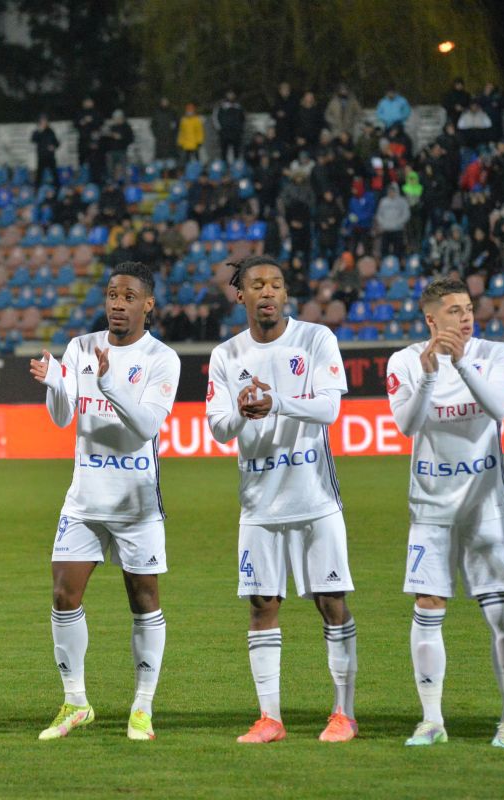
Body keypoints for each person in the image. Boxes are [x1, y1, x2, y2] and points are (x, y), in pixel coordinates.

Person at [206, 255, 357, 744]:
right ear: (241, 295)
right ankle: (270, 718)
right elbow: (218, 427)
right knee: (261, 605)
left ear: (286, 295)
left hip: (314, 499)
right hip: (258, 504)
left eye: (275, 284)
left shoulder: (315, 340)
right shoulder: (226, 355)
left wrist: (276, 402)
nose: (266, 292)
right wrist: (244, 413)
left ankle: (343, 714)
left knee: (331, 603)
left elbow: (331, 407)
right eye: (256, 285)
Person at [29, 262, 181, 742]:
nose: (118, 303)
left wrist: (110, 382)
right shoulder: (79, 347)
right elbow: (61, 418)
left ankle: (142, 707)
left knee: (144, 601)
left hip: (136, 504)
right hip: (84, 500)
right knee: (62, 595)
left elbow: (146, 427)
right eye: (112, 294)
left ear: (148, 304)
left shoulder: (162, 358)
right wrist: (56, 383)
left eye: (129, 296)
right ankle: (75, 702)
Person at [385, 278, 504, 748]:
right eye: (454, 311)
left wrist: (461, 363)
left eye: (468, 309)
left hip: (486, 508)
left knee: (499, 612)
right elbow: (406, 425)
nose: (466, 318)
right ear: (431, 320)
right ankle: (431, 721)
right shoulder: (405, 362)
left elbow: (501, 407)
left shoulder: (495, 353)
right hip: (430, 509)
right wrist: (427, 375)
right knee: (427, 608)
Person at [213, 90, 246, 163]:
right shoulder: (221, 106)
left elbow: (243, 119)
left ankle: (236, 170)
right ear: (226, 96)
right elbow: (215, 117)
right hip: (225, 132)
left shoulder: (238, 106)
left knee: (236, 152)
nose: (231, 96)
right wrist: (220, 129)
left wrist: (240, 129)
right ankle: (224, 169)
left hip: (236, 133)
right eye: (229, 95)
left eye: (232, 95)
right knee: (223, 152)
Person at [31, 114, 60, 188]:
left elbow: (56, 142)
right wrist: (40, 131)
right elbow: (33, 140)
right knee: (39, 174)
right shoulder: (37, 131)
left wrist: (54, 146)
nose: (44, 123)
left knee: (54, 173)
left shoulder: (50, 131)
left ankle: (57, 188)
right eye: (42, 121)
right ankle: (37, 189)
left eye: (45, 121)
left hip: (50, 156)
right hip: (42, 156)